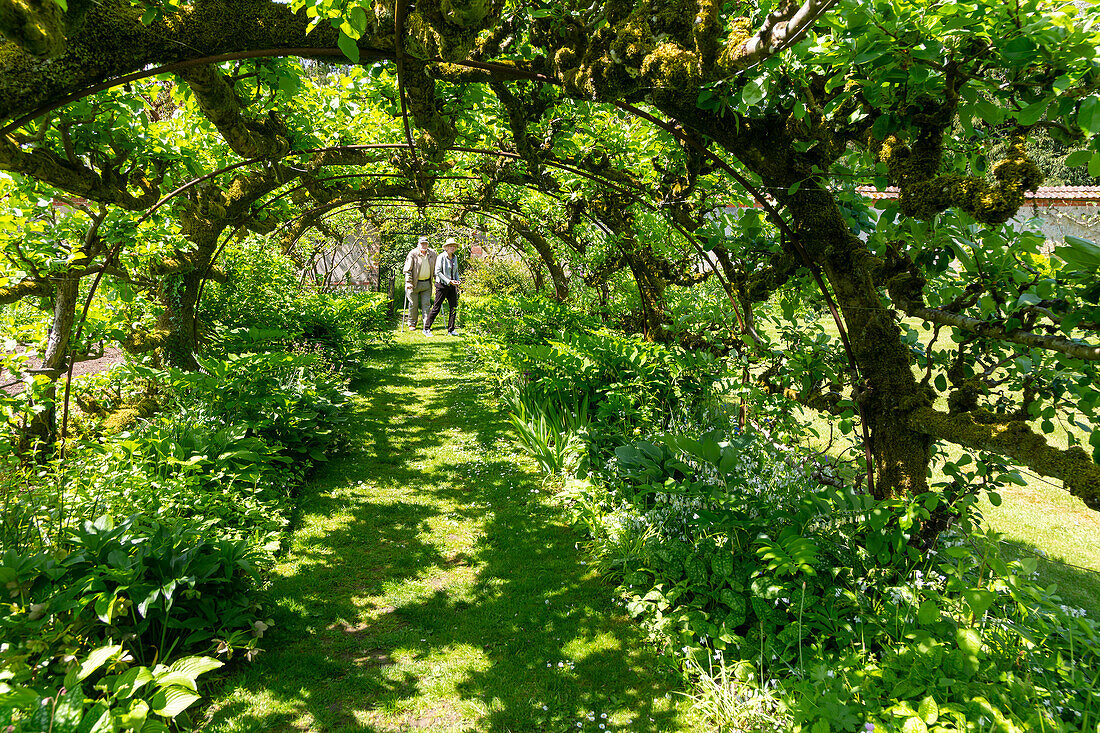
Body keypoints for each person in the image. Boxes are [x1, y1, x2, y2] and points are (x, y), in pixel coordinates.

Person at [424, 237, 461, 337]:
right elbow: (437, 272)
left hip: (452, 286)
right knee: (436, 307)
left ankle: (451, 330)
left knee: (454, 307)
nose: (452, 248)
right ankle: (426, 328)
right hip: (442, 285)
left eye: (453, 246)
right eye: (450, 246)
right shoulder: (441, 257)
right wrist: (449, 281)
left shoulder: (455, 257)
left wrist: (457, 281)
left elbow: (456, 271)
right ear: (446, 247)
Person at [402, 235, 437, 331]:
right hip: (414, 283)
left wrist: (437, 280)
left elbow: (435, 269)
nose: (424, 246)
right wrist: (408, 282)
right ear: (418, 244)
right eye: (422, 244)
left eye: (425, 244)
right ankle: (412, 323)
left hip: (427, 283)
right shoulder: (412, 254)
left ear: (428, 244)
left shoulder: (433, 254)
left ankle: (426, 323)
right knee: (413, 304)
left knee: (426, 304)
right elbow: (408, 270)